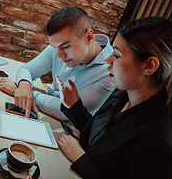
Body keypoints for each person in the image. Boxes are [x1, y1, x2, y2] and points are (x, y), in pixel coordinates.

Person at [58, 17, 172, 179]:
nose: (108, 60)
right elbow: (101, 136)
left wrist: (82, 161)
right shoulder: (124, 92)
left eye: (117, 55)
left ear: (149, 66)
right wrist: (75, 106)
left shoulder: (157, 141)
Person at [0, 7, 114, 125]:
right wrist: (23, 85)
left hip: (65, 131)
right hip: (44, 112)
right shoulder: (59, 46)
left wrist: (18, 91)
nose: (59, 55)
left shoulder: (110, 71)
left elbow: (67, 111)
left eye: (66, 46)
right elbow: (26, 69)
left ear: (88, 37)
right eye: (55, 47)